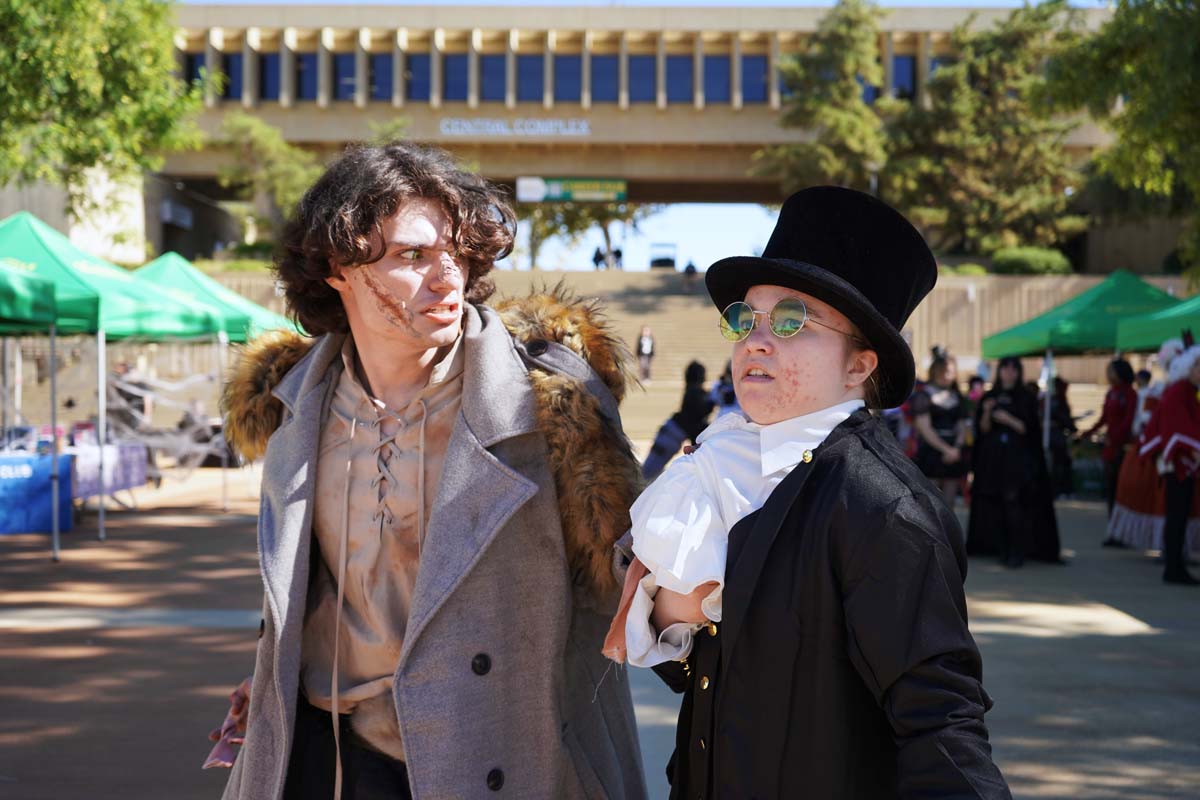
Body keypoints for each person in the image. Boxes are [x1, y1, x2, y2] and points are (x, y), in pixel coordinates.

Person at [211, 143, 647, 799]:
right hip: (332, 760)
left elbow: (632, 582)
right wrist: (274, 672)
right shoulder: (293, 402)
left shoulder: (551, 400)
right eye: (412, 256)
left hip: (500, 758)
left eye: (457, 252)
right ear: (337, 268)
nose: (446, 276)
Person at [605, 187, 1010, 798]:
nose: (756, 340)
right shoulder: (725, 462)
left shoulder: (885, 508)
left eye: (792, 320)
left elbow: (940, 727)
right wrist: (674, 611)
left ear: (859, 367)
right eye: (746, 319)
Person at [967, 357, 1062, 567]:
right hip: (994, 461)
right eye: (1005, 369)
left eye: (1013, 369)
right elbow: (983, 430)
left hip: (1018, 461)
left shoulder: (1025, 398)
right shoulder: (990, 397)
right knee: (997, 504)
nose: (1009, 373)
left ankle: (1017, 550)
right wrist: (988, 412)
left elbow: (1028, 430)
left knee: (1015, 503)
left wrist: (1007, 418)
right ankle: (1002, 548)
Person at [1107, 339, 1196, 549]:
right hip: (1166, 455)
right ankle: (1171, 554)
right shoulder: (1165, 392)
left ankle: (1174, 553)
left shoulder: (1179, 392)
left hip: (1177, 455)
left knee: (1177, 507)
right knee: (1169, 506)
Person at [1137, 343, 1200, 585]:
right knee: (1176, 515)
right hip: (1177, 463)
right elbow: (1176, 428)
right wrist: (1194, 450)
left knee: (1180, 515)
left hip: (1184, 461)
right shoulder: (1178, 391)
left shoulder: (1189, 391)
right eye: (1197, 366)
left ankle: (1176, 565)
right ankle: (1173, 567)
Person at [1081, 358, 1138, 531]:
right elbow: (1104, 418)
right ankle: (1113, 526)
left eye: (1111, 371)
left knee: (1121, 488)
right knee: (1110, 487)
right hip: (1110, 446)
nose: (1108, 374)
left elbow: (1128, 421)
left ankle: (1122, 528)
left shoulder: (1130, 394)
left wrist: (1116, 437)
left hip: (1122, 446)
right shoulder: (1111, 393)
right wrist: (1088, 432)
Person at [911, 348, 969, 506]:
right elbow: (925, 428)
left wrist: (956, 448)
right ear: (935, 371)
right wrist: (947, 450)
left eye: (951, 372)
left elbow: (962, 426)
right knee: (930, 503)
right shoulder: (924, 396)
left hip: (953, 451)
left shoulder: (957, 397)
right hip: (932, 452)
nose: (948, 375)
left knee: (949, 503)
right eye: (944, 371)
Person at [641, 361, 714, 480]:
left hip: (669, 433)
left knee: (648, 471)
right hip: (670, 437)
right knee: (648, 473)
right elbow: (698, 417)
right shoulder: (694, 394)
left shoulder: (693, 392)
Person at [1048, 377, 1076, 498]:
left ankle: (1061, 489)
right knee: (1060, 464)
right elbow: (1064, 419)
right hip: (1056, 437)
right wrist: (1072, 427)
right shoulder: (1058, 401)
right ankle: (1060, 489)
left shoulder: (1055, 400)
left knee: (1060, 464)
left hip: (1056, 436)